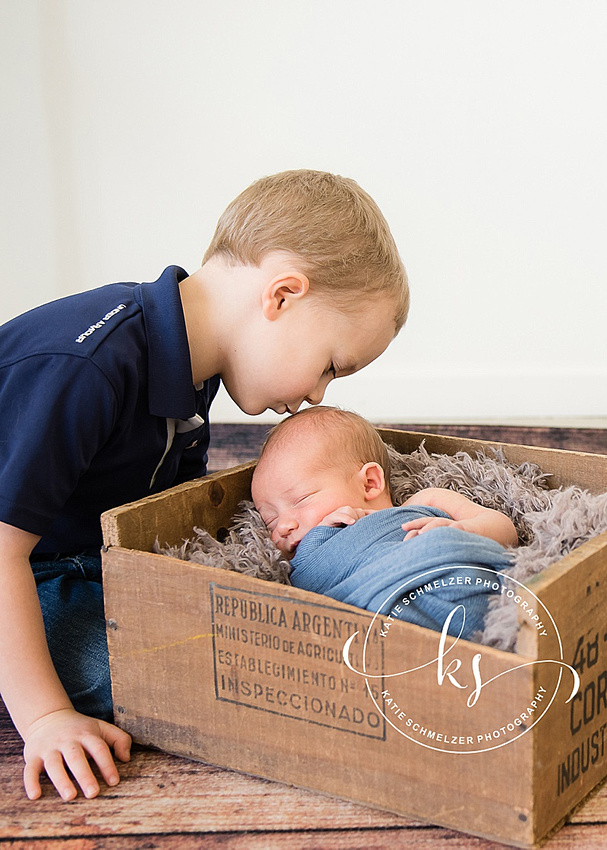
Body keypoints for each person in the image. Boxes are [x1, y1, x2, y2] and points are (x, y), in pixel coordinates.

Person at [0, 170, 409, 801]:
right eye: (331, 365)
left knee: (230, 625)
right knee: (174, 673)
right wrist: (45, 719)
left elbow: (160, 521)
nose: (318, 396)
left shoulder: (194, 371)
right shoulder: (87, 366)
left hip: (82, 562)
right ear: (282, 296)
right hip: (23, 574)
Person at [251, 406, 517, 639]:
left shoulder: (425, 502)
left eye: (301, 499)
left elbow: (504, 529)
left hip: (451, 582)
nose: (283, 526)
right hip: (372, 623)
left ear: (370, 483)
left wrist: (461, 533)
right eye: (270, 521)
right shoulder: (302, 559)